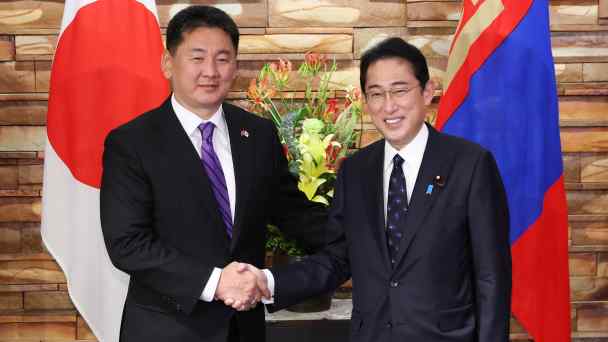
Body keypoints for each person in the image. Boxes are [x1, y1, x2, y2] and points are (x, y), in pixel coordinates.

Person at [246, 37, 512, 341]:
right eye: (376, 94)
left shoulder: (470, 165)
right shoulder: (356, 171)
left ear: (427, 92)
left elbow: (491, 276)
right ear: (365, 100)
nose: (389, 105)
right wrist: (269, 281)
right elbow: (338, 258)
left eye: (400, 90)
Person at [100, 5, 326, 342]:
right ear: (167, 63)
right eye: (197, 57)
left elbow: (296, 214)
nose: (210, 71)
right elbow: (128, 244)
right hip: (166, 331)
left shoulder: (258, 135)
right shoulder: (132, 143)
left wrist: (370, 235)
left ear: (235, 67)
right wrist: (215, 281)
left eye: (222, 59)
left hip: (242, 329)